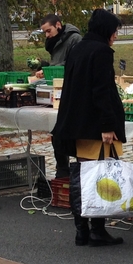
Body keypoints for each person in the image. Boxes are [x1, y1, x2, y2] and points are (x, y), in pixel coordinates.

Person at [52, 9, 127, 247]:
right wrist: (107, 125)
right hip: (96, 126)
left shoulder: (78, 48)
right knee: (101, 177)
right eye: (115, 30)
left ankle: (81, 230)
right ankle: (97, 229)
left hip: (78, 124)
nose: (116, 35)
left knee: (84, 177)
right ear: (106, 30)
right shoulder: (101, 51)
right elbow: (102, 90)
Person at [34, 14, 82, 178]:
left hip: (71, 92)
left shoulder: (75, 39)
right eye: (45, 32)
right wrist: (46, 67)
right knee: (57, 133)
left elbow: (72, 63)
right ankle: (62, 170)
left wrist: (50, 69)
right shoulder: (55, 41)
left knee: (68, 133)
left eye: (48, 31)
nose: (47, 35)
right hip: (58, 90)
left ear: (58, 25)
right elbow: (58, 63)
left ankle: (75, 171)